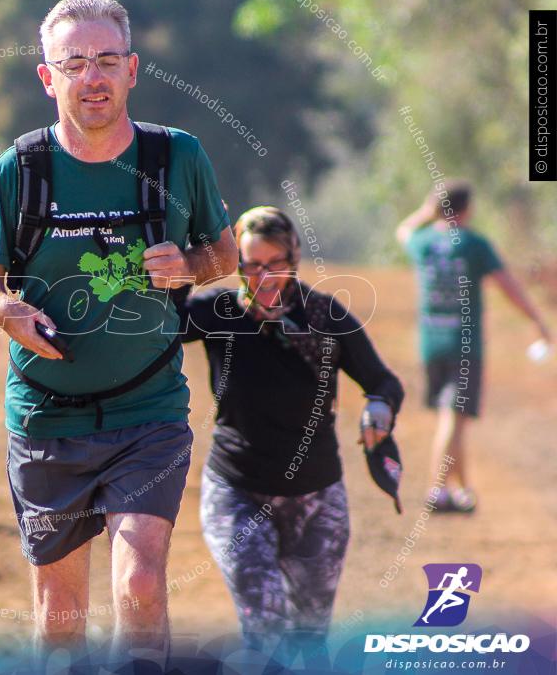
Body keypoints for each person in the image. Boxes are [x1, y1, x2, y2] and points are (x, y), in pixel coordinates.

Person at [0, 0, 237, 667]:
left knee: (140, 583)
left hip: (148, 409)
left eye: (108, 61)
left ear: (133, 70)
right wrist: (9, 312)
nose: (93, 77)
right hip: (46, 418)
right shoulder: (19, 170)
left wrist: (191, 265)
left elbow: (225, 255)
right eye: (76, 62)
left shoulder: (178, 159)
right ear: (47, 76)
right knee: (60, 617)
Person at [181, 207, 405, 660]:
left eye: (275, 263)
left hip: (316, 494)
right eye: (250, 264)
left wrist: (378, 409)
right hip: (237, 491)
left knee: (310, 637)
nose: (263, 275)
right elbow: (162, 324)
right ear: (234, 262)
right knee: (265, 624)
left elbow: (383, 381)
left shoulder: (323, 314)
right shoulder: (217, 312)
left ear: (294, 258)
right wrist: (194, 253)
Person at [396, 181, 551, 512]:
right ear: (467, 209)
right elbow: (509, 287)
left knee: (455, 418)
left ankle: (462, 490)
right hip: (464, 346)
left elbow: (403, 230)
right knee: (453, 418)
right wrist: (537, 319)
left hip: (429, 343)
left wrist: (426, 211)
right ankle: (437, 490)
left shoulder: (422, 241)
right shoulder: (474, 244)